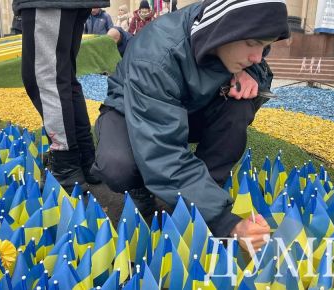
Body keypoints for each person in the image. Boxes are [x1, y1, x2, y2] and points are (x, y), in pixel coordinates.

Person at [90, 0, 289, 249]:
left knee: (241, 102)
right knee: (118, 166)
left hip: (188, 109)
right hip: (130, 109)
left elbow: (260, 66)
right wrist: (226, 222)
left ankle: (205, 188)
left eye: (265, 46)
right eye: (251, 44)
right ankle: (143, 190)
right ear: (224, 32)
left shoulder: (230, 34)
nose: (257, 56)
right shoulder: (156, 57)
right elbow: (162, 149)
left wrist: (252, 74)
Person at [12, 0, 110, 192]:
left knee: (47, 78)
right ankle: (82, 158)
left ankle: (67, 165)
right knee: (62, 76)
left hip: (49, 3)